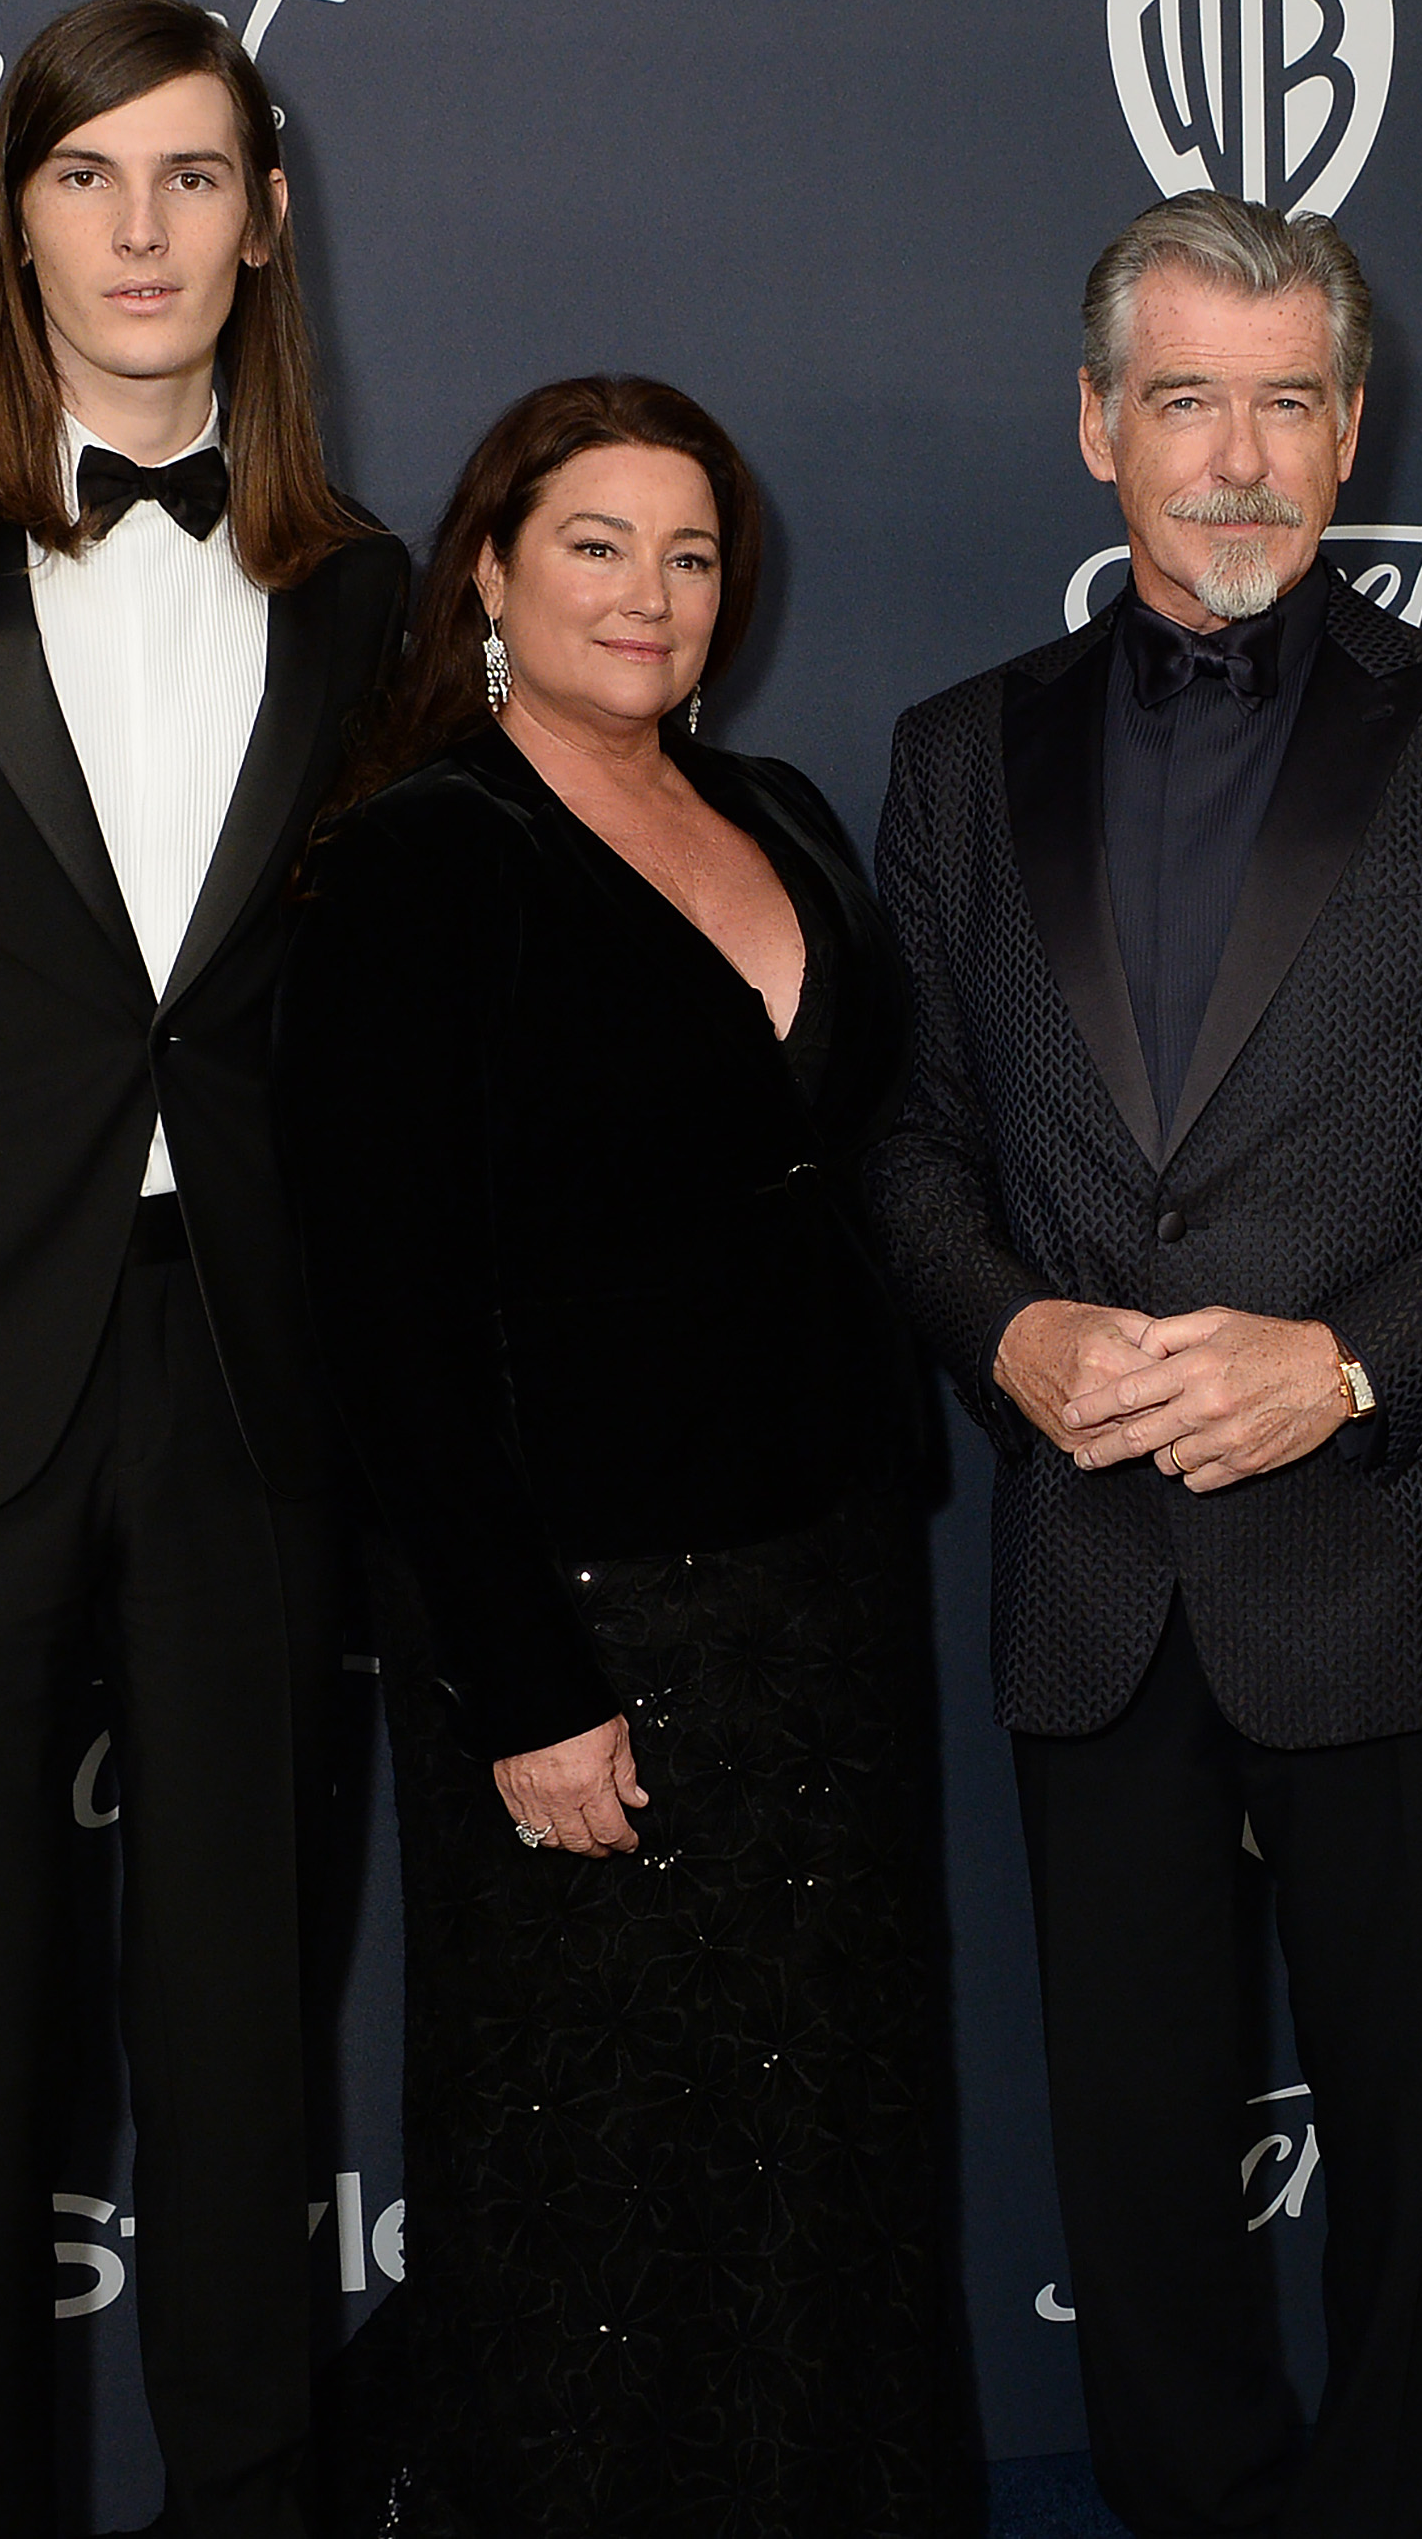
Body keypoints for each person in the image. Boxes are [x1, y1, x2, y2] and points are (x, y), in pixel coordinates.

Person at [867, 191, 1422, 2539]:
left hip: (1399, 1555)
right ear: (1098, 425)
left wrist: (1347, 1364)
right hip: (1097, 1572)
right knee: (1133, 2149)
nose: (1236, 458)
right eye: (1187, 402)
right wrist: (1004, 1324)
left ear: (1351, 430)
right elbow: (906, 1146)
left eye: (1287, 404)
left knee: (1416, 2147)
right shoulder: (957, 756)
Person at [0, 0, 407, 2538]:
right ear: (12, 215)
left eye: (193, 176)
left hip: (253, 1369)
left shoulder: (367, 592)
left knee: (245, 2033)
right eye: (86, 177)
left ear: (265, 222)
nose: (141, 231)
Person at [273, 374, 974, 2536]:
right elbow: (388, 1327)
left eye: (690, 552)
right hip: (583, 1617)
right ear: (490, 570)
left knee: (824, 2120)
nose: (649, 592)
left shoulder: (776, 807)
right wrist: (523, 1678)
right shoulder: (416, 860)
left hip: (825, 1584)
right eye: (596, 544)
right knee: (598, 2146)